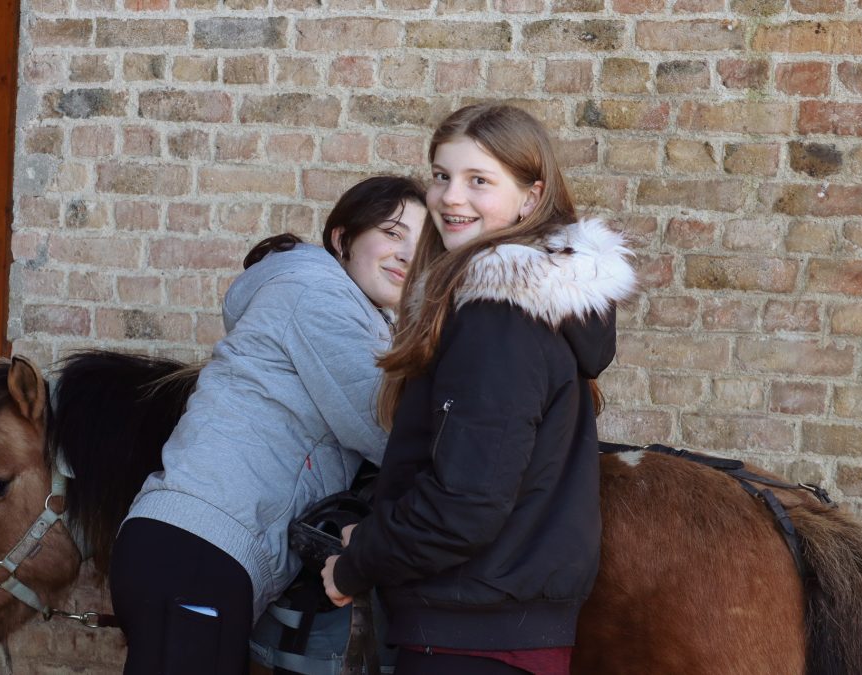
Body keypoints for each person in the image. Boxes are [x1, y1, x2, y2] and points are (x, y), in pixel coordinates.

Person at [321, 104, 637, 675]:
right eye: (441, 176)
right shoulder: (530, 314)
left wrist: (355, 564)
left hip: (470, 639)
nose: (450, 198)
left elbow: (465, 504)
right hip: (499, 630)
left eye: (479, 181)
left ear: (532, 196)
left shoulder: (497, 318)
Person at [109, 175, 427, 674]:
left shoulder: (338, 307)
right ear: (343, 239)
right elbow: (386, 430)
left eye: (422, 244)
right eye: (391, 233)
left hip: (187, 550)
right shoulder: (317, 298)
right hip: (199, 551)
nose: (407, 255)